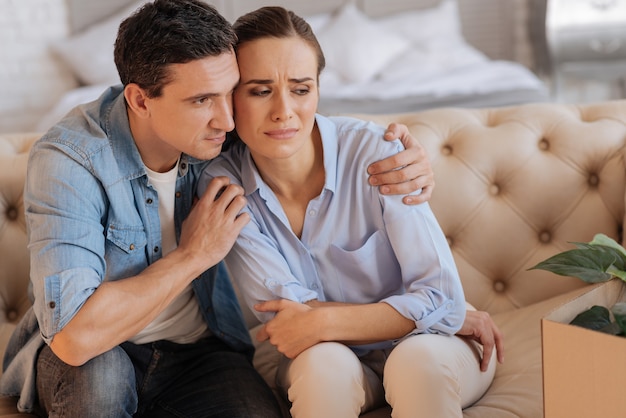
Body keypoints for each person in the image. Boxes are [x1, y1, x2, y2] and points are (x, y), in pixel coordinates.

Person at [0, 1, 436, 417]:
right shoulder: (69, 161)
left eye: (230, 92)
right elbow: (76, 339)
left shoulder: (225, 134)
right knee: (101, 383)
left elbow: (293, 111)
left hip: (200, 350)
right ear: (140, 99)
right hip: (95, 353)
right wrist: (193, 255)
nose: (227, 120)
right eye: (201, 100)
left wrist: (408, 163)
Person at [199, 6, 504, 418]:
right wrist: (414, 311)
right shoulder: (223, 186)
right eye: (260, 90)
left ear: (319, 91)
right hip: (326, 356)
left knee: (416, 364)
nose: (284, 111)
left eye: (301, 89)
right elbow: (290, 322)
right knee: (325, 366)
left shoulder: (378, 153)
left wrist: (322, 322)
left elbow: (441, 298)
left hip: (435, 344)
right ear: (231, 97)